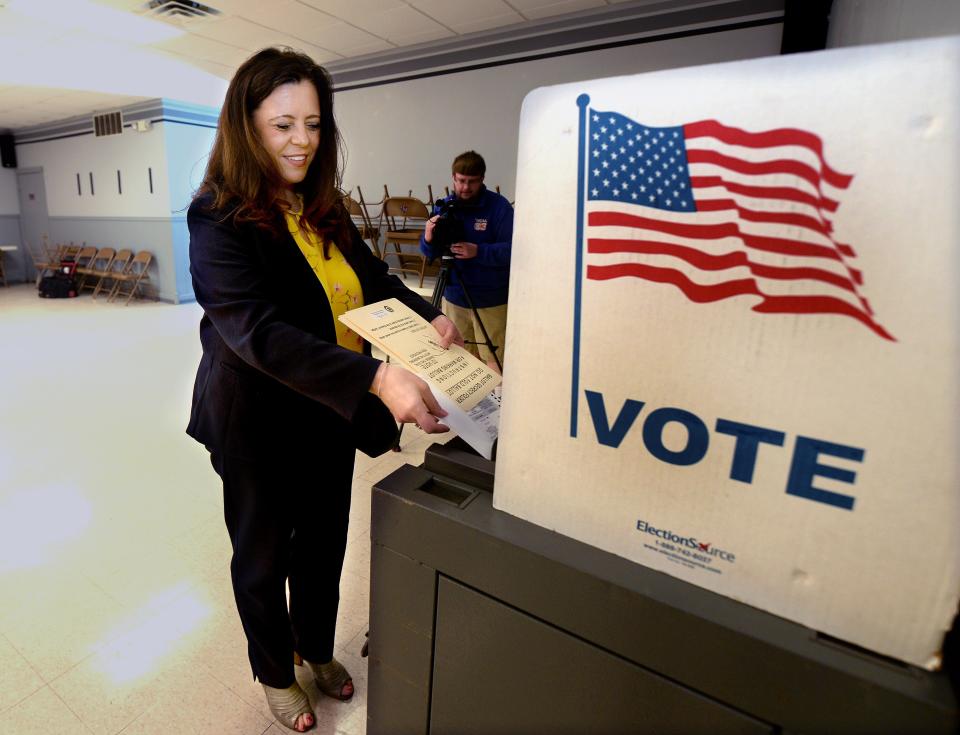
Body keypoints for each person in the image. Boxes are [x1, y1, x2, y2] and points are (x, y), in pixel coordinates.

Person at [186, 47, 461, 733]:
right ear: (245, 126)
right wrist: (377, 374)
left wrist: (431, 314)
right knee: (263, 553)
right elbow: (257, 334)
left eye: (313, 123)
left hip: (327, 414)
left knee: (323, 545)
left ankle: (313, 645)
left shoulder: (321, 206)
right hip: (256, 422)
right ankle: (276, 670)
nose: (302, 140)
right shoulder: (216, 218)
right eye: (282, 125)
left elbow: (374, 282)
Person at [420, 151, 513, 366]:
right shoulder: (445, 207)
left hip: (490, 299)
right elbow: (430, 252)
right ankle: (469, 400)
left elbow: (512, 251)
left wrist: (478, 251)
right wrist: (427, 236)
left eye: (472, 182)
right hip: (454, 295)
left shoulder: (499, 208)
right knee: (460, 357)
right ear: (453, 177)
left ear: (482, 179)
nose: (465, 187)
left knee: (494, 360)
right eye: (461, 181)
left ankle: (496, 399)